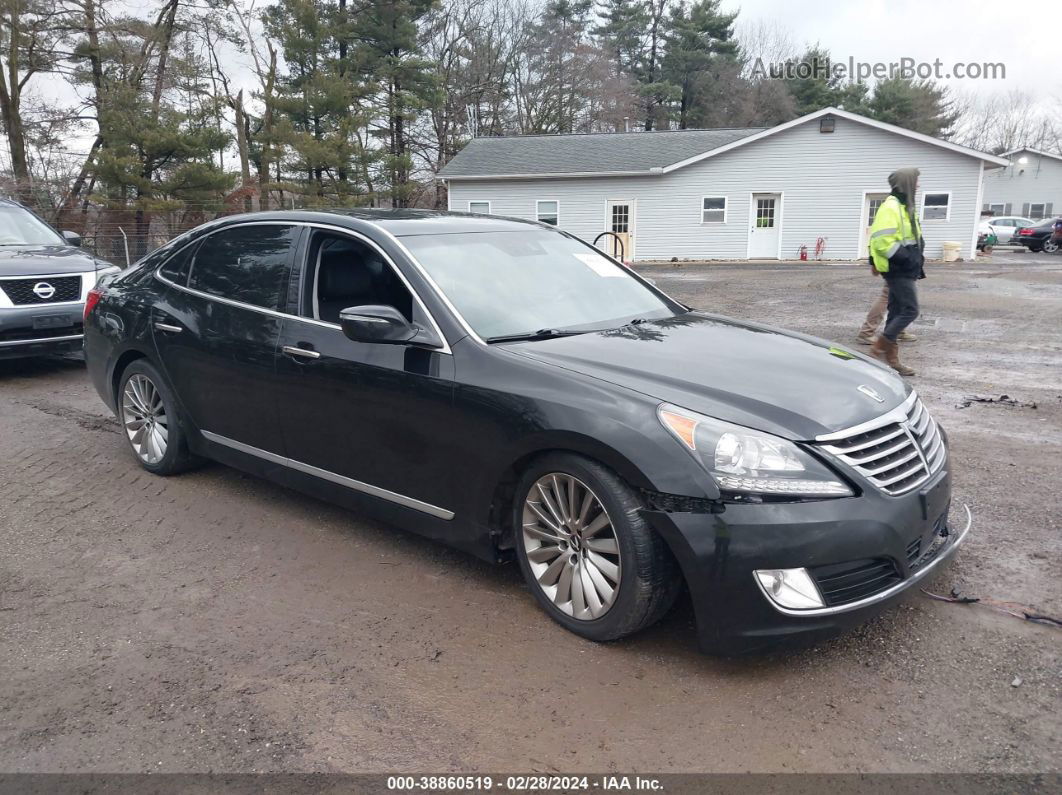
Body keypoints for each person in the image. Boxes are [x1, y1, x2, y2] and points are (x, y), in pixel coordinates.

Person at [866, 168, 925, 376]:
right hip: (898, 269)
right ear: (907, 182)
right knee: (910, 310)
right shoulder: (891, 207)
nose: (918, 184)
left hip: (906, 268)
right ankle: (878, 348)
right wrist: (907, 259)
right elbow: (881, 241)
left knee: (896, 311)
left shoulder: (904, 206)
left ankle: (892, 360)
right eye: (916, 181)